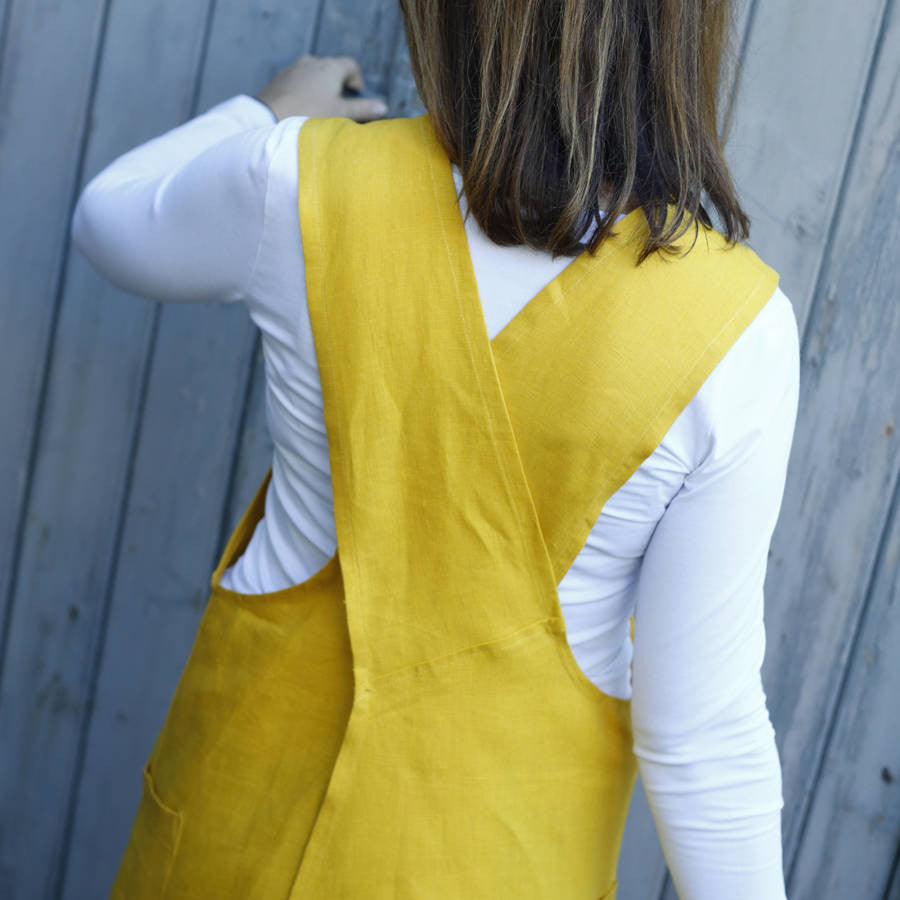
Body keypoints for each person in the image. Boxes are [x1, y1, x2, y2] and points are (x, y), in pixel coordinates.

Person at [72, 2, 799, 897]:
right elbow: (701, 734)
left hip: (239, 831)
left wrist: (266, 112)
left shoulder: (299, 181)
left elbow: (110, 218)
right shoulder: (736, 335)